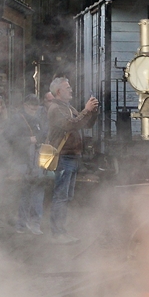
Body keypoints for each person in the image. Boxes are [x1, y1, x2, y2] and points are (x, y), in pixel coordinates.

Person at [45, 76, 98, 242]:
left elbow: (84, 124)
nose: (71, 90)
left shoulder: (67, 107)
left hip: (72, 156)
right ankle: (58, 233)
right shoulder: (56, 109)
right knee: (61, 196)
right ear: (59, 91)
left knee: (66, 196)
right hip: (63, 157)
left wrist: (92, 112)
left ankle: (62, 230)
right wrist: (86, 110)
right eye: (68, 88)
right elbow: (71, 124)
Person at [10, 95, 47, 234]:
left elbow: (42, 135)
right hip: (24, 160)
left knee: (34, 191)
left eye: (35, 106)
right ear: (25, 105)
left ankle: (30, 224)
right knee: (28, 191)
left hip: (35, 160)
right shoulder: (17, 119)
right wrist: (28, 140)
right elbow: (10, 139)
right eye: (31, 106)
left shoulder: (37, 119)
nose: (34, 108)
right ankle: (26, 224)